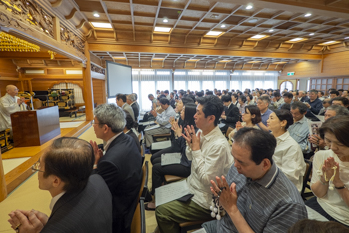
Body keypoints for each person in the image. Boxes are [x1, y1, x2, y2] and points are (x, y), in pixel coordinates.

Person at [202, 128, 307, 233]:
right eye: (233, 157)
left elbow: (230, 208)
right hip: (220, 226)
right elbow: (223, 210)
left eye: (241, 162)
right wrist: (221, 202)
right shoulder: (239, 168)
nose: (235, 165)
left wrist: (232, 209)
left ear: (265, 164)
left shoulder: (288, 205)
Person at [155, 95, 234, 233]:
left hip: (205, 201)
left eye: (199, 113)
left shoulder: (219, 145)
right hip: (192, 185)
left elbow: (207, 181)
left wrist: (196, 149)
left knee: (162, 212)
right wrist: (191, 146)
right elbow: (190, 157)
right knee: (160, 196)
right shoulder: (201, 131)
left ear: (211, 118)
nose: (195, 116)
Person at [8, 137, 113, 233]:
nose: (37, 169)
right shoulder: (97, 180)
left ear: (55, 181)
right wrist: (51, 222)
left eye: (40, 166)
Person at [90, 103, 142, 233]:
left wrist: (96, 165)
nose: (93, 126)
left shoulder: (109, 162)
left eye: (94, 123)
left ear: (106, 128)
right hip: (128, 197)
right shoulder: (128, 139)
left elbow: (94, 193)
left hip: (118, 213)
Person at [146, 103, 197, 210]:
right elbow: (178, 145)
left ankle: (156, 199)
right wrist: (176, 132)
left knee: (156, 167)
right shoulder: (184, 123)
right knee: (155, 160)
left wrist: (178, 134)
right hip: (182, 157)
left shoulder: (193, 130)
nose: (180, 112)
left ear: (188, 114)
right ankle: (159, 187)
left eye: (183, 110)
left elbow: (183, 150)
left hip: (186, 164)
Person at [305, 116, 349, 227]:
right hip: (320, 204)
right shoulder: (322, 155)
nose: (333, 147)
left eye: (340, 144)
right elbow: (319, 194)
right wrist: (324, 179)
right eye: (328, 141)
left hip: (343, 217)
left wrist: (338, 182)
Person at [267, 109, 306, 191]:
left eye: (271, 118)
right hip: (268, 178)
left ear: (283, 123)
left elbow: (290, 175)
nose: (268, 120)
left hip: (284, 187)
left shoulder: (292, 146)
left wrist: (265, 168)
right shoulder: (268, 137)